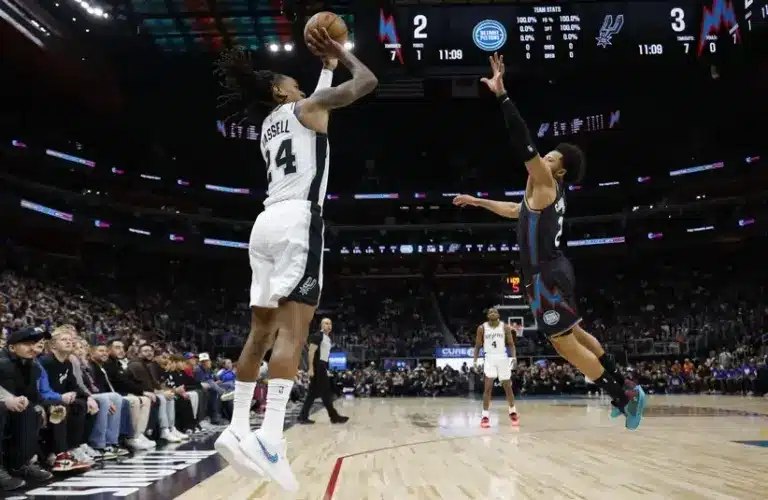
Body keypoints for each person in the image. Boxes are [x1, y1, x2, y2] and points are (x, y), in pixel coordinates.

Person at [211, 27, 377, 491]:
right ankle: (270, 437)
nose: (302, 87)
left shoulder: (270, 124)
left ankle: (238, 426)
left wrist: (323, 69)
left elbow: (315, 104)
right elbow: (366, 84)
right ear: (279, 91)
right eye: (295, 83)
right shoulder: (305, 108)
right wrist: (342, 54)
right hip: (298, 222)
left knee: (259, 331)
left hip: (263, 225)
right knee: (294, 331)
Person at [453, 53, 646, 430]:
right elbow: (514, 211)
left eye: (551, 155)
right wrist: (477, 201)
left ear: (558, 169)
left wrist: (502, 95)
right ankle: (625, 382)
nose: (544, 155)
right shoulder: (537, 196)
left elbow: (523, 143)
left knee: (564, 344)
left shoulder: (545, 182)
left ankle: (624, 396)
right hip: (550, 271)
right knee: (575, 334)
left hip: (546, 274)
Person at [0, 328, 54, 486]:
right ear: (11, 347)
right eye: (26, 344)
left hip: (12, 407)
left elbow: (34, 396)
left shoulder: (33, 367)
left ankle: (20, 465)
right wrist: (5, 400)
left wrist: (49, 406)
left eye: (34, 343)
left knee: (32, 410)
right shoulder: (2, 362)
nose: (33, 348)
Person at [39, 329, 101, 466]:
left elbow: (75, 386)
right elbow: (42, 389)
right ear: (53, 345)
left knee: (84, 404)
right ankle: (57, 453)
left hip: (61, 399)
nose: (69, 342)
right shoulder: (45, 361)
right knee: (59, 408)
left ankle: (74, 447)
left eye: (70, 339)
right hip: (46, 400)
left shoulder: (67, 363)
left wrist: (87, 397)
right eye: (64, 339)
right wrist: (61, 396)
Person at [472, 308, 518, 428]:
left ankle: (512, 411)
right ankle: (485, 416)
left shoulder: (505, 327)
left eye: (495, 312)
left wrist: (513, 358)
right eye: (490, 312)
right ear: (488, 316)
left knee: (508, 386)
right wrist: (475, 361)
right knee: (488, 387)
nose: (492, 313)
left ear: (498, 315)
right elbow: (477, 346)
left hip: (502, 357)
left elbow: (511, 344)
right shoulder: (482, 328)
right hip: (489, 358)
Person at [298, 318, 348, 425]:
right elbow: (311, 352)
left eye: (330, 323)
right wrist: (311, 368)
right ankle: (334, 417)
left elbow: (325, 355)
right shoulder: (317, 336)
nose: (328, 325)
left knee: (314, 393)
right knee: (325, 392)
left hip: (322, 366)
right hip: (317, 366)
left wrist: (326, 368)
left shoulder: (327, 338)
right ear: (321, 325)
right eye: (326, 323)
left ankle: (303, 416)